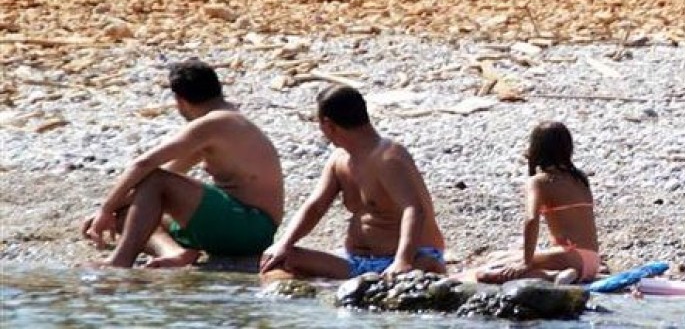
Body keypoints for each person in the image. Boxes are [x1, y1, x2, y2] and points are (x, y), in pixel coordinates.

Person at [81, 59, 284, 268]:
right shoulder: (223, 126)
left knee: (155, 179)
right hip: (237, 227)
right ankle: (175, 252)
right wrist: (115, 209)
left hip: (251, 227)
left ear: (180, 100)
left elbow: (144, 165)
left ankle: (120, 261)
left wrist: (105, 209)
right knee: (128, 216)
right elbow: (165, 175)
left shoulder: (215, 123)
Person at [259, 84, 446, 278]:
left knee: (420, 268)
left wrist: (403, 260)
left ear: (328, 125)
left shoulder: (388, 157)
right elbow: (315, 207)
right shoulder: (339, 160)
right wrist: (284, 243)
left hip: (410, 258)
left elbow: (414, 209)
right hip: (354, 260)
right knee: (277, 261)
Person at [475, 121, 600, 284]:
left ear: (536, 149)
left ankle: (552, 276)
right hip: (592, 261)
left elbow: (531, 219)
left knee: (485, 273)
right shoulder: (580, 178)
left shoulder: (539, 182)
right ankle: (563, 273)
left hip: (571, 257)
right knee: (501, 257)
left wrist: (526, 262)